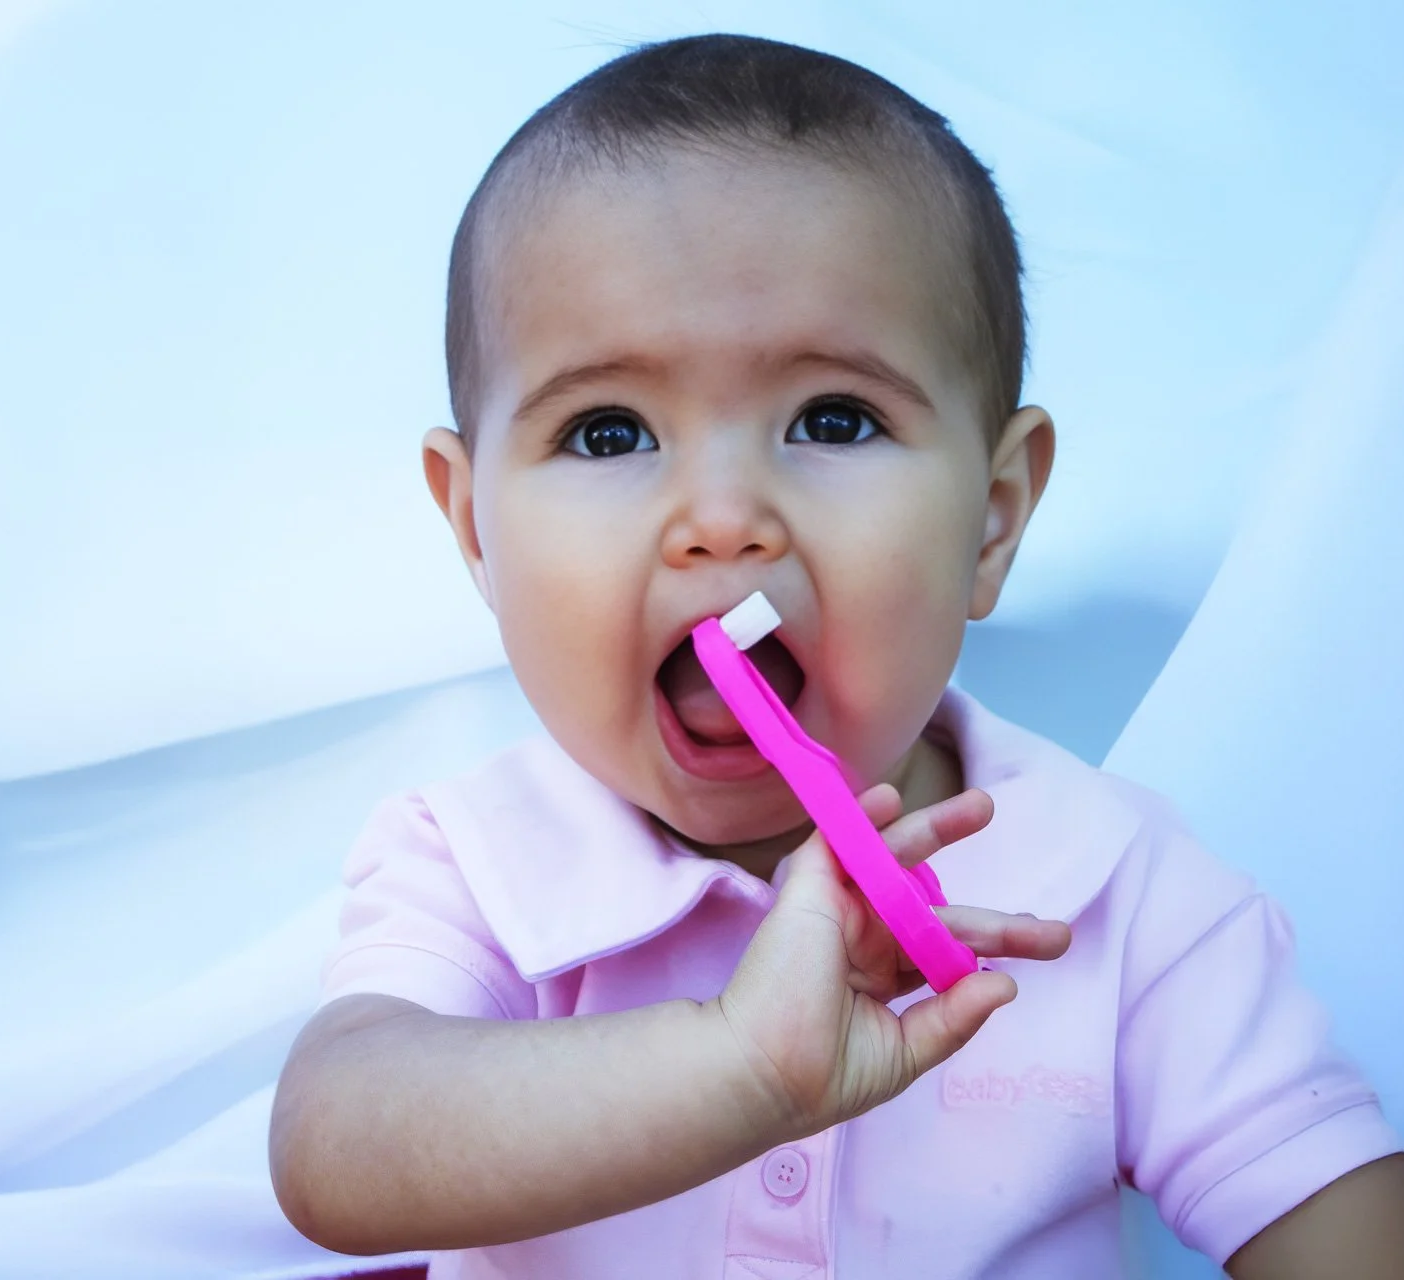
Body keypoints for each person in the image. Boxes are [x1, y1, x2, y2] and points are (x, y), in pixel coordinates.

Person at [267, 33, 1404, 1278]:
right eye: (607, 431)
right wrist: (738, 1063)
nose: (721, 515)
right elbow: (336, 1153)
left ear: (992, 514)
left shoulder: (1115, 895)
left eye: (832, 418)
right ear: (476, 528)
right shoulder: (475, 861)